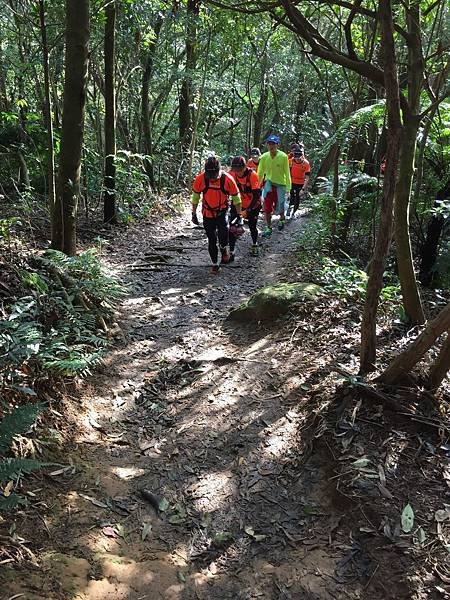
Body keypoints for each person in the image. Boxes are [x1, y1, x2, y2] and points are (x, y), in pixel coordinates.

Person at [191, 156, 242, 274]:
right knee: (211, 239)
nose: (212, 177)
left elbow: (236, 198)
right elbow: (195, 197)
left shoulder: (227, 179)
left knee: (224, 236)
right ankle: (215, 264)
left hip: (222, 212)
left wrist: (239, 215)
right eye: (210, 174)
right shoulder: (201, 179)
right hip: (207, 213)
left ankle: (224, 249)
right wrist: (193, 213)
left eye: (214, 174)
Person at [257, 134, 291, 235]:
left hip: (281, 184)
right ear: (267, 145)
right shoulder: (263, 157)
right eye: (269, 144)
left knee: (280, 205)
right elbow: (260, 173)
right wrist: (256, 186)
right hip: (268, 184)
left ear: (277, 145)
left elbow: (287, 173)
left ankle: (282, 219)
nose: (271, 146)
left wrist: (288, 189)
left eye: (273, 144)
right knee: (267, 207)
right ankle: (268, 227)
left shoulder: (283, 157)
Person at [229, 156, 262, 257]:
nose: (238, 172)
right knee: (232, 226)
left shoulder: (252, 176)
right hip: (238, 203)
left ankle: (254, 244)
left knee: (252, 226)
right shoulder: (232, 174)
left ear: (244, 167)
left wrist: (248, 210)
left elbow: (256, 195)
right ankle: (232, 251)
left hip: (253, 204)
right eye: (236, 170)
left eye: (240, 170)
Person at [287, 145, 310, 218]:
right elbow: (287, 172)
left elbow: (307, 177)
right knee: (291, 196)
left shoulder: (305, 163)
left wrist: (303, 188)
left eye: (298, 157)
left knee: (297, 197)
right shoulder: (290, 161)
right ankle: (290, 208)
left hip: (300, 183)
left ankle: (294, 212)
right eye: (295, 157)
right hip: (292, 181)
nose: (297, 159)